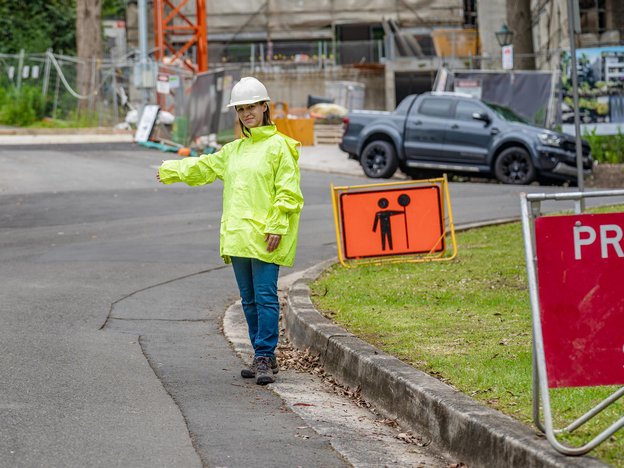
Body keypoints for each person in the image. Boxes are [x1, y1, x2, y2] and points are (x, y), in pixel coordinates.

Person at [156, 77, 304, 385]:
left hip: (266, 235)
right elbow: (204, 167)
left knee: (265, 296)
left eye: (252, 107)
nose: (247, 113)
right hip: (238, 235)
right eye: (241, 109)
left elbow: (288, 191)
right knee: (248, 299)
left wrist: (277, 224)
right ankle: (263, 354)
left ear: (265, 107)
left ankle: (263, 354)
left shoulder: (280, 147)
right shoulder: (233, 151)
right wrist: (171, 170)